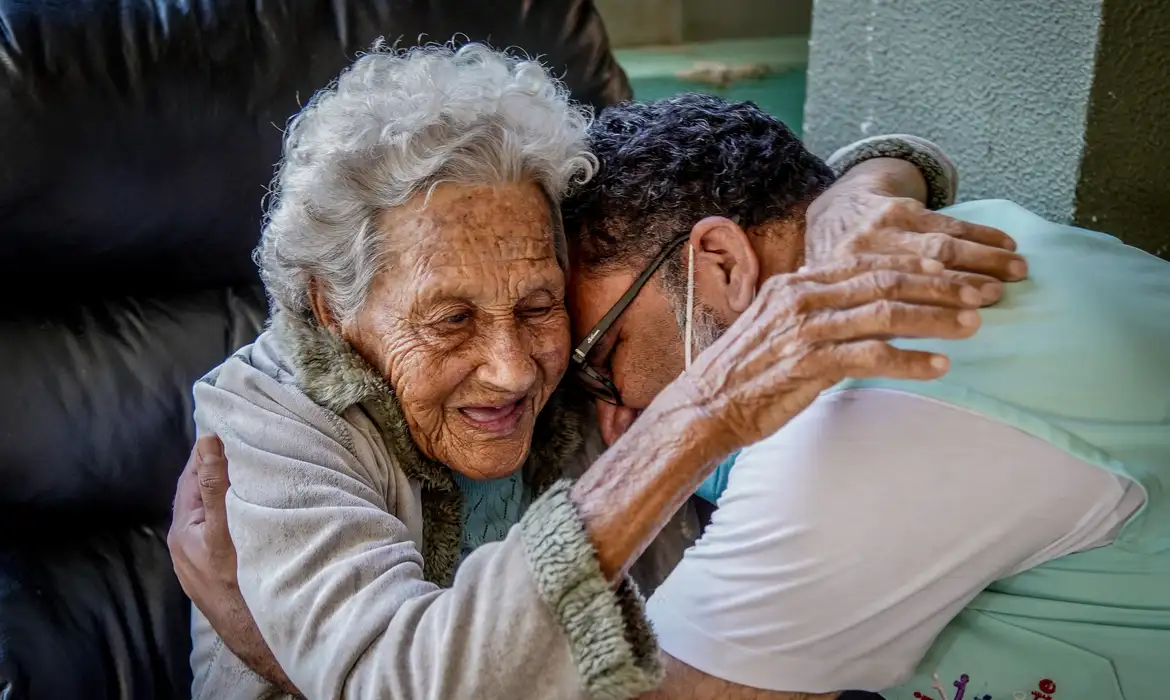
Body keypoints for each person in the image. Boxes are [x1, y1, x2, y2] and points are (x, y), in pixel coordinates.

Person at [167, 45, 1025, 700]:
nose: (512, 372)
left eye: (538, 307)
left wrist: (868, 180)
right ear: (329, 305)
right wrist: (699, 416)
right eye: (451, 319)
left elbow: (744, 209)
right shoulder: (271, 418)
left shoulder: (582, 343)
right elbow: (407, 679)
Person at [559, 94, 1170, 700]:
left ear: (722, 263)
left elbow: (673, 691)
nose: (616, 421)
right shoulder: (971, 235)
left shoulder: (864, 422)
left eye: (605, 357)